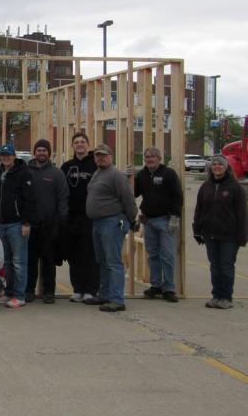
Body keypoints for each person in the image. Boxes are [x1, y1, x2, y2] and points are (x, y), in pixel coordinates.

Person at [85, 144, 138, 313]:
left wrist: (131, 219)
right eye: (97, 156)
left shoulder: (115, 174)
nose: (100, 158)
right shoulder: (98, 173)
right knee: (102, 261)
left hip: (112, 222)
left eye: (103, 155)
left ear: (111, 156)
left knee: (113, 262)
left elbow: (128, 199)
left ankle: (117, 299)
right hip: (98, 223)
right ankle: (105, 294)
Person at [192, 156, 246, 309]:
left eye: (220, 164)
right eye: (214, 164)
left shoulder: (235, 188)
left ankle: (226, 297)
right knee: (214, 266)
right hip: (210, 234)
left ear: (226, 167)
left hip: (229, 235)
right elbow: (199, 210)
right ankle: (216, 296)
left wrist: (241, 236)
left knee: (226, 266)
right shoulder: (205, 187)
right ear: (210, 168)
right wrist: (197, 230)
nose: (217, 167)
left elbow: (241, 214)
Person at [134, 146, 184, 302]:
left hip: (165, 220)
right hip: (149, 220)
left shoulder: (168, 174)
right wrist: (126, 178)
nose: (149, 159)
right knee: (153, 255)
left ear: (159, 158)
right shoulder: (142, 175)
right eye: (147, 157)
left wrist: (175, 216)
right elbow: (133, 193)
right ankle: (156, 285)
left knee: (167, 256)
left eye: (153, 156)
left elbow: (177, 195)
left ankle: (169, 288)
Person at [24, 139, 69, 304]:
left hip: (50, 225)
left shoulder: (56, 174)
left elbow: (63, 197)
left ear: (48, 153)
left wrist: (62, 218)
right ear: (34, 152)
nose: (41, 153)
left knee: (49, 261)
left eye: (44, 150)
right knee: (30, 261)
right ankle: (28, 290)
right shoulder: (26, 172)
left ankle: (49, 292)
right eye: (39, 150)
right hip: (30, 224)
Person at [0, 144, 34, 309]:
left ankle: (19, 295)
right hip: (1, 224)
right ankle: (9, 292)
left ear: (14, 156)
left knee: (19, 261)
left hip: (17, 225)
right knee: (7, 262)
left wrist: (26, 222)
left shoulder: (23, 174)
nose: (5, 158)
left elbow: (29, 200)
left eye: (8, 155)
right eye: (3, 155)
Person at [60, 132, 100, 303]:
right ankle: (78, 289)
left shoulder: (96, 165)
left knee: (90, 254)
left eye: (83, 142)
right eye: (76, 142)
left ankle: (91, 290)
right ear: (72, 146)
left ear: (88, 144)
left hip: (90, 216)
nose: (80, 144)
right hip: (72, 217)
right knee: (74, 255)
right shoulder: (67, 167)